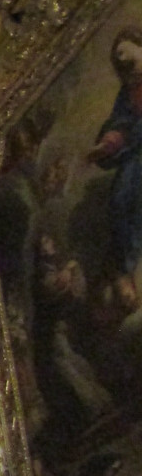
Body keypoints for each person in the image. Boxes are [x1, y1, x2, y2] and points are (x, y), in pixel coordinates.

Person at [87, 27, 142, 310]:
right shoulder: (127, 92)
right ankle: (131, 269)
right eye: (118, 58)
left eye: (125, 53)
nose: (122, 60)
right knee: (121, 197)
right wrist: (108, 143)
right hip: (137, 159)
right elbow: (120, 124)